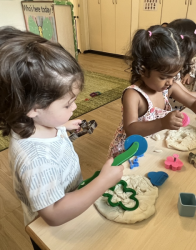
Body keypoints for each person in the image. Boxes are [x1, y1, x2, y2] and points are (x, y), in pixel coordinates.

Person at [0, 27, 123, 249]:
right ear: (32, 108)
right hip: (52, 233)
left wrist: (62, 126)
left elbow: (44, 135)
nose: (75, 106)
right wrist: (103, 181)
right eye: (67, 104)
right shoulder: (35, 159)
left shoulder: (35, 122)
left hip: (71, 203)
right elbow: (54, 214)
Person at [108, 25, 196, 158]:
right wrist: (162, 123)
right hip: (131, 151)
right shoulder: (133, 95)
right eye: (163, 77)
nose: (170, 82)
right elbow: (131, 129)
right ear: (143, 70)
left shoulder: (168, 87)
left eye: (173, 76)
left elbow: (193, 102)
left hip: (154, 146)